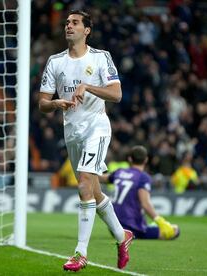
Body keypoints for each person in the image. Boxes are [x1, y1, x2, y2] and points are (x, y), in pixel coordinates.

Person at [38, 10, 133, 272]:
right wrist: (54, 103)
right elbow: (42, 103)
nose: (68, 26)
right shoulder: (55, 62)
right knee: (94, 191)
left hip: (97, 128)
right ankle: (122, 235)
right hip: (72, 132)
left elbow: (116, 94)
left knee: (83, 185)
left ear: (86, 30)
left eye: (75, 23)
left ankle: (80, 253)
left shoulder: (101, 58)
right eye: (67, 23)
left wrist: (87, 86)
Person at [100, 145, 180, 240]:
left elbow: (99, 178)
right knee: (175, 230)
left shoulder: (119, 172)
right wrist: (160, 221)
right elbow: (145, 204)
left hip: (114, 227)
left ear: (130, 159)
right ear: (146, 160)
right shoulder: (143, 177)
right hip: (132, 228)